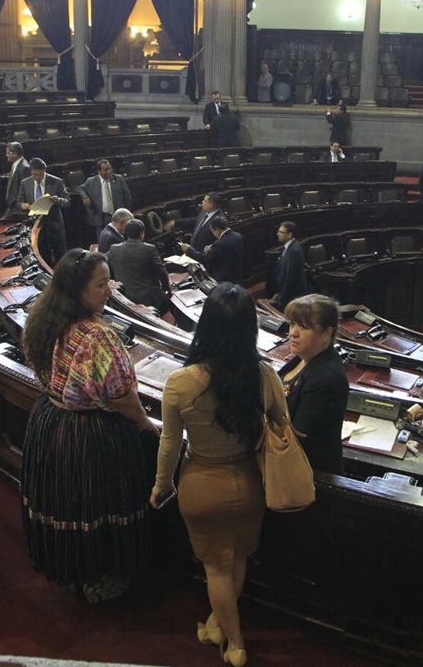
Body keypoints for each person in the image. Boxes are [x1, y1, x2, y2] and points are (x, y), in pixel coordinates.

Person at [150, 284, 288, 667]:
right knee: (236, 559)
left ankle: (236, 643)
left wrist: (163, 484)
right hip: (247, 483)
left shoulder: (181, 382)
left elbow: (169, 444)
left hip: (201, 482)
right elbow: (283, 427)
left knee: (216, 567)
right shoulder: (264, 376)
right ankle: (216, 627)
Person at [20, 249, 158, 603]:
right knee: (97, 505)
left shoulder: (44, 320)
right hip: (90, 436)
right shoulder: (97, 335)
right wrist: (145, 424)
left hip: (52, 423)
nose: (108, 290)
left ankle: (76, 571)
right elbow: (120, 396)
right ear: (75, 290)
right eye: (100, 284)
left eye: (108, 281)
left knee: (69, 504)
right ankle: (101, 575)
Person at [283, 294, 348, 474]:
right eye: (292, 324)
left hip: (310, 475)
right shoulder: (301, 358)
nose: (293, 332)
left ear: (327, 333)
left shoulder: (326, 378)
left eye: (304, 327)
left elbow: (297, 438)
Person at [108, 219, 171, 313]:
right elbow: (161, 272)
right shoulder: (149, 249)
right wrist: (167, 288)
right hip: (148, 300)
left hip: (124, 298)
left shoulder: (114, 249)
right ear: (142, 233)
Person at [17, 157, 70, 266]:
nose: (37, 177)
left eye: (40, 175)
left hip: (54, 222)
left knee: (60, 252)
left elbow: (67, 202)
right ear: (31, 172)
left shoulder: (56, 181)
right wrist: (24, 205)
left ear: (44, 171)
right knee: (41, 253)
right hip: (36, 224)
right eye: (34, 175)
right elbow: (19, 201)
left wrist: (58, 200)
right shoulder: (25, 183)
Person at [180, 216, 244, 284]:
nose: (213, 234)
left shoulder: (219, 244)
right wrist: (213, 247)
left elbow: (203, 258)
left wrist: (188, 249)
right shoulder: (237, 235)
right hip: (237, 274)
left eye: (212, 231)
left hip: (224, 278)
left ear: (217, 230)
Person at [77, 159, 132, 232]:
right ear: (99, 171)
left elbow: (127, 197)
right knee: (103, 241)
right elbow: (80, 188)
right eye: (105, 170)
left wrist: (126, 214)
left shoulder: (119, 179)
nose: (109, 171)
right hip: (101, 219)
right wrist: (85, 197)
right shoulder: (91, 181)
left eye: (110, 168)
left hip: (118, 218)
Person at [269, 221, 308, 308]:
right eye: (278, 231)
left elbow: (290, 277)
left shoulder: (293, 251)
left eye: (281, 232)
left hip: (293, 297)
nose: (278, 234)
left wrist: (282, 299)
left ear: (290, 234)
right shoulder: (287, 248)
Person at [2, 141, 29, 220]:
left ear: (15, 153)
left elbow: (26, 190)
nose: (6, 155)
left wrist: (21, 205)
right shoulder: (16, 165)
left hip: (18, 208)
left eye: (8, 153)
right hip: (12, 207)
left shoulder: (24, 168)